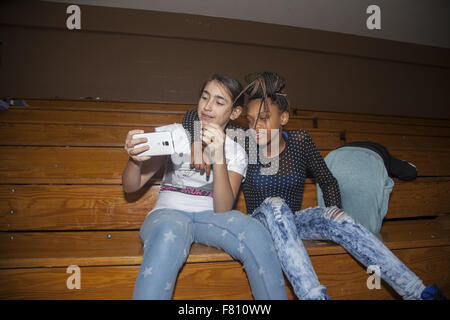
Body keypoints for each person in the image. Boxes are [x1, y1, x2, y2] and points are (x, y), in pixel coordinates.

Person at [182, 71, 446, 300]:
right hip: (258, 221)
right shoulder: (244, 142)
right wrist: (196, 141)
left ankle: (417, 291)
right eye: (250, 121)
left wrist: (333, 208)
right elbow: (191, 115)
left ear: (283, 118)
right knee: (276, 204)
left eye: (263, 118)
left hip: (294, 221)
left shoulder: (300, 141)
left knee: (338, 220)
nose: (256, 127)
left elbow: (328, 180)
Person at [122, 74, 288, 300]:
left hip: (211, 216)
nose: (208, 107)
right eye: (204, 98)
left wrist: (218, 156)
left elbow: (223, 208)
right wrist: (134, 160)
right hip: (168, 213)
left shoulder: (235, 151)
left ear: (235, 112)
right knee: (170, 231)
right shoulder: (174, 134)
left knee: (256, 232)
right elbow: (131, 187)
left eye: (219, 102)